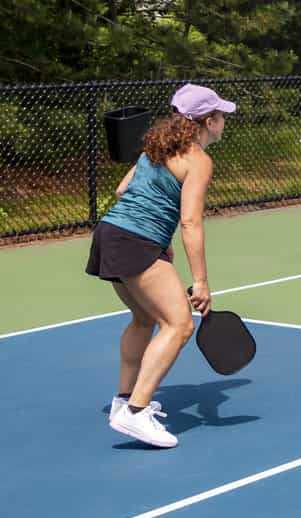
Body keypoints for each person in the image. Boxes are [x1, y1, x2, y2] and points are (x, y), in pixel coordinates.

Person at [86, 83, 235, 448]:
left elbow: (123, 191)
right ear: (207, 120)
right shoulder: (198, 160)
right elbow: (190, 222)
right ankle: (136, 413)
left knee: (144, 319)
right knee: (179, 324)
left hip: (109, 234)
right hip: (134, 241)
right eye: (221, 116)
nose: (224, 122)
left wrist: (155, 240)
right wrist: (200, 281)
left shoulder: (154, 148)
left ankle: (123, 402)